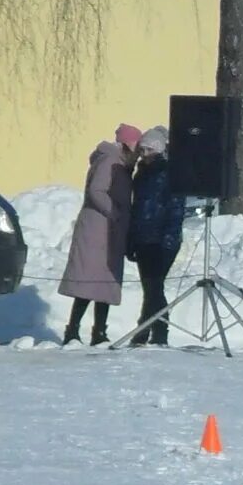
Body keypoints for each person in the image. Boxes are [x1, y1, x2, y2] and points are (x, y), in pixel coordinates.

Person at [60, 127, 138, 346]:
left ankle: (99, 331)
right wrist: (115, 212)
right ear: (127, 145)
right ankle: (73, 330)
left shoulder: (121, 165)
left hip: (109, 232)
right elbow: (96, 191)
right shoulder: (109, 161)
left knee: (104, 283)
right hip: (98, 230)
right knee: (89, 281)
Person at [123, 125, 185, 346]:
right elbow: (136, 206)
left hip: (162, 240)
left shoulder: (168, 172)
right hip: (143, 238)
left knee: (154, 288)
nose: (144, 154)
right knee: (150, 288)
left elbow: (176, 207)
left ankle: (147, 330)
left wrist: (169, 238)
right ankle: (156, 329)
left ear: (159, 150)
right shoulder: (141, 173)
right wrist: (131, 239)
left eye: (149, 150)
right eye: (142, 150)